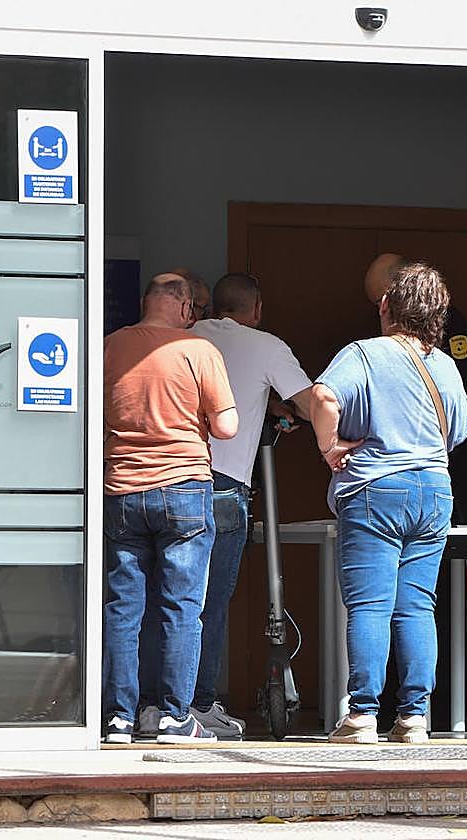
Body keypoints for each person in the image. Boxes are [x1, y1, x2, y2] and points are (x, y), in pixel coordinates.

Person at [312, 260, 467, 744]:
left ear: (386, 305)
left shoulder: (363, 354)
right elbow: (459, 431)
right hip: (435, 490)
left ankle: (362, 715)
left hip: (376, 489)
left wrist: (330, 447)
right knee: (417, 606)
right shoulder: (445, 365)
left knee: (370, 605)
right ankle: (414, 718)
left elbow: (322, 397)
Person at [102, 273, 238, 744]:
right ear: (183, 307)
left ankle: (120, 717)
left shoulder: (110, 346)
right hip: (183, 489)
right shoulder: (198, 350)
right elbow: (226, 427)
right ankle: (175, 717)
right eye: (194, 309)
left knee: (124, 608)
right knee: (181, 607)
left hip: (122, 489)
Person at [188, 272, 315, 738]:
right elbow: (310, 404)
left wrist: (266, 405)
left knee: (169, 598)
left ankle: (153, 704)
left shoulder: (186, 337)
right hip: (224, 487)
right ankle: (199, 704)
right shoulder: (267, 345)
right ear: (256, 309)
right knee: (211, 603)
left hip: (173, 479)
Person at [364, 253, 467, 522]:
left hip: (443, 460)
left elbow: (461, 404)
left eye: (382, 301)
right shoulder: (375, 347)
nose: (381, 310)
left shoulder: (450, 327)